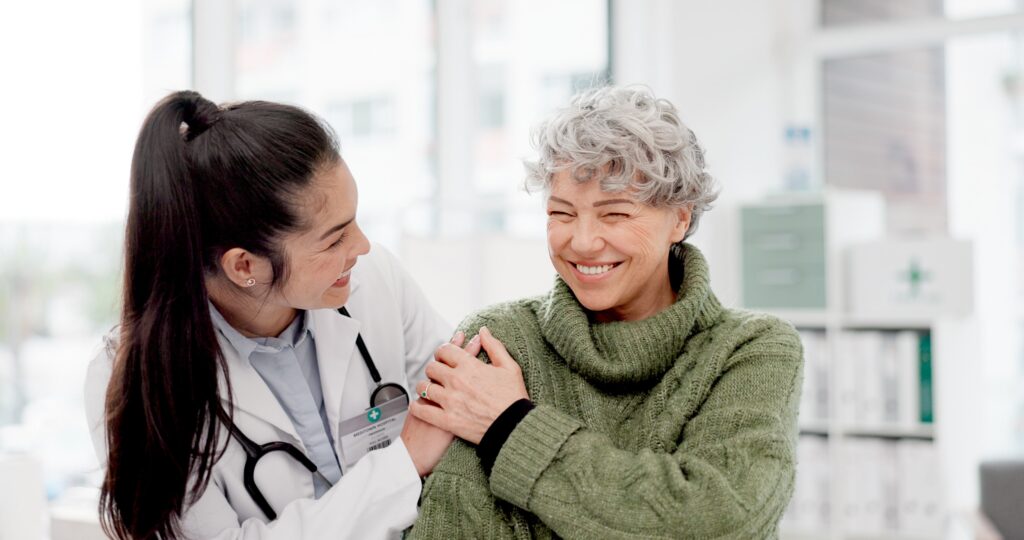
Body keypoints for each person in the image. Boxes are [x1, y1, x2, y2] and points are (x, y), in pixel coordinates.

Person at [406, 86, 804, 538]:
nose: (582, 241)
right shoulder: (500, 339)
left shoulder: (751, 348)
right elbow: (455, 526)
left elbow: (722, 519)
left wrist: (510, 427)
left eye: (614, 214)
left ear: (679, 218)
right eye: (562, 213)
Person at [83, 91, 468, 539]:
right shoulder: (134, 379)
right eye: (334, 239)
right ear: (244, 266)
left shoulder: (374, 280)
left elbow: (459, 412)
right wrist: (401, 466)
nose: (361, 246)